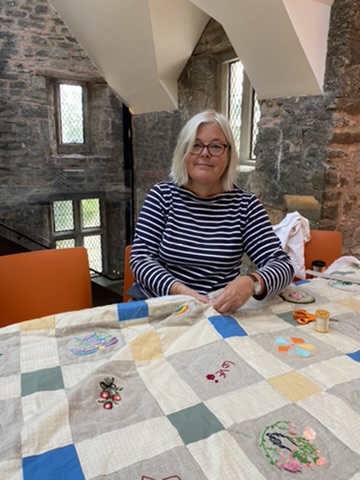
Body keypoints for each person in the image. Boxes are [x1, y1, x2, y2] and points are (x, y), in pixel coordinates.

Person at [129, 109, 294, 313]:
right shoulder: (161, 196)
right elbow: (141, 259)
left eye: (215, 146)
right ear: (183, 152)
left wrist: (252, 282)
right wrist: (180, 291)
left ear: (228, 155)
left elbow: (282, 265)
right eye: (195, 145)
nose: (205, 153)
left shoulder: (246, 206)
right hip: (159, 304)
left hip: (215, 310)